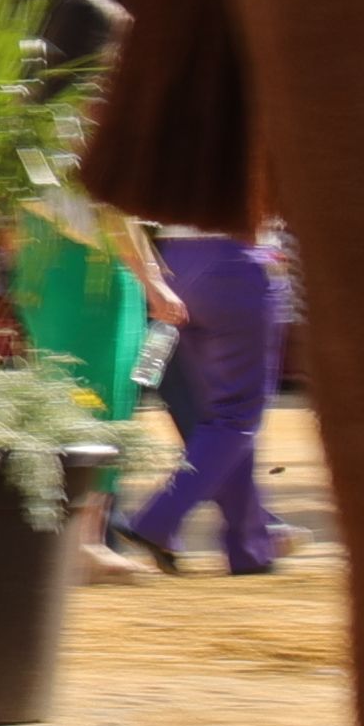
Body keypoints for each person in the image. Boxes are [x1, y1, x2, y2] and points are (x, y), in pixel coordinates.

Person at [12, 0, 173, 583]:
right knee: (101, 398)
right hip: (91, 271)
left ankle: (65, 538)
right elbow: (111, 211)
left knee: (60, 397)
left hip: (43, 267)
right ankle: (83, 542)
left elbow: (35, 199)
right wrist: (152, 278)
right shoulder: (86, 113)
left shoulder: (33, 111)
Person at [119, 222, 296, 575]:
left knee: (220, 420)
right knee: (235, 418)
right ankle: (156, 520)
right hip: (238, 256)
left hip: (177, 262)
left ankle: (251, 548)